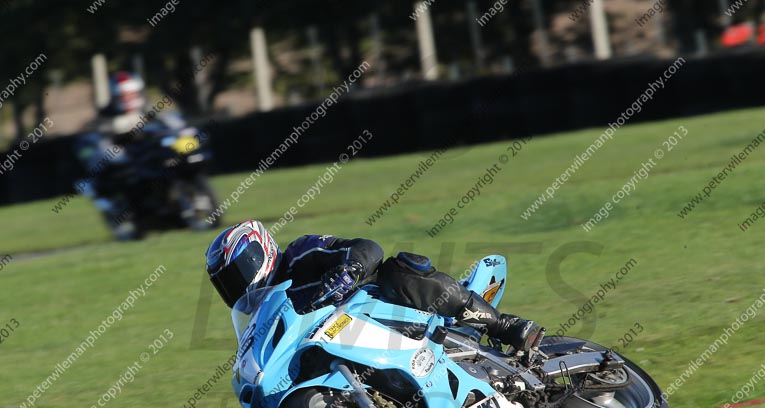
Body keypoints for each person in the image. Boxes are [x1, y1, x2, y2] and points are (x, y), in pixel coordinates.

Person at [205, 220, 540, 352]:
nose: (237, 286)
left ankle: (504, 325)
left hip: (378, 304)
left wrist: (349, 269)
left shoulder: (299, 253)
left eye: (238, 272)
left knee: (398, 269)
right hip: (342, 341)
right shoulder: (266, 314)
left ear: (259, 249)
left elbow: (368, 248)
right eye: (226, 284)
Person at [75, 71, 188, 239]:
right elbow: (97, 139)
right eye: (124, 95)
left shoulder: (149, 111)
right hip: (126, 164)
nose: (128, 98)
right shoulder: (107, 117)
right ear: (115, 95)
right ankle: (126, 211)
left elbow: (167, 124)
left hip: (152, 157)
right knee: (124, 174)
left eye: (131, 94)